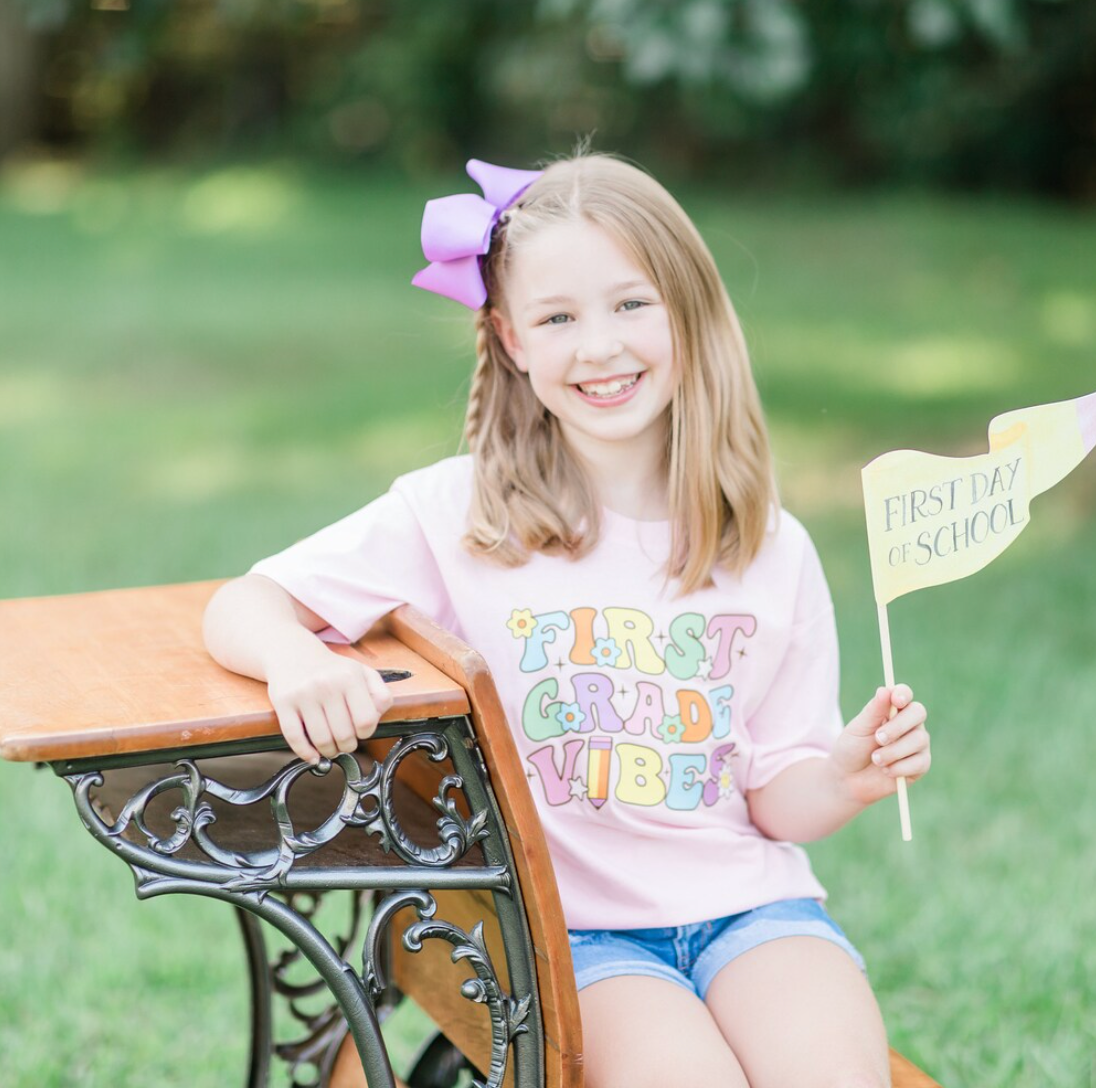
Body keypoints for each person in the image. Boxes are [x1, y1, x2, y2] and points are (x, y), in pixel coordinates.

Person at [203, 151, 931, 1088]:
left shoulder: (767, 546)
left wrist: (845, 774)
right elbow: (244, 604)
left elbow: (775, 794)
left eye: (632, 304)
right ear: (511, 340)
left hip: (756, 913)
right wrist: (297, 663)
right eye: (558, 318)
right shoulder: (462, 515)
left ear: (691, 310)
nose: (599, 347)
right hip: (575, 935)